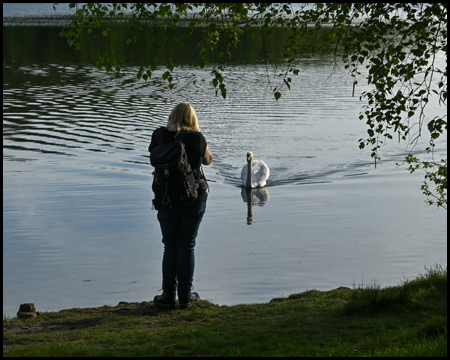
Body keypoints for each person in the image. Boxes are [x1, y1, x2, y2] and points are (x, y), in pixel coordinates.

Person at [148, 102, 213, 309]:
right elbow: (208, 160)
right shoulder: (195, 137)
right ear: (192, 119)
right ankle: (185, 296)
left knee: (170, 246)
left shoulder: (158, 136)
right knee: (187, 244)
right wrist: (198, 135)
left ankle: (168, 296)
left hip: (165, 198)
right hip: (192, 198)